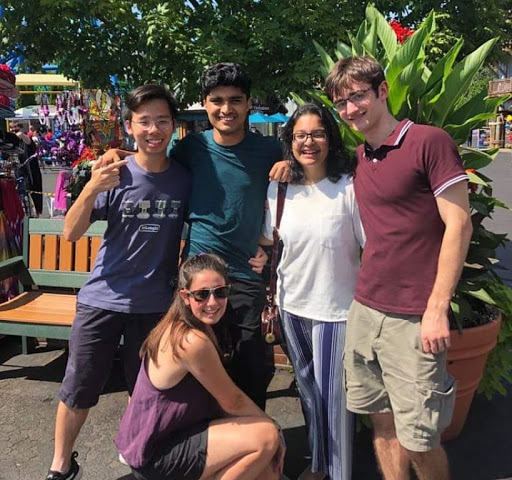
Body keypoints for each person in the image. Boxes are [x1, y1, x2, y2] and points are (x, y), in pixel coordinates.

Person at [103, 63, 289, 409]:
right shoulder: (192, 149)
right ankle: (206, 447)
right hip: (198, 276)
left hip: (247, 276)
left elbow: (297, 201)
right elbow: (155, 164)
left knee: (252, 366)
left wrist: (291, 167)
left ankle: (254, 447)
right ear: (204, 104)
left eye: (235, 100)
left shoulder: (269, 151)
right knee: (197, 366)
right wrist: (121, 155)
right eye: (216, 100)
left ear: (249, 103)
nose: (226, 109)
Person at [324, 56, 472, 480]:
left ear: (382, 91)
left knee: (419, 439)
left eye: (358, 96)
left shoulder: (429, 141)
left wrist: (437, 307)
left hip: (414, 316)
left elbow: (458, 223)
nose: (351, 109)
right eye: (342, 103)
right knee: (381, 421)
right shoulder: (359, 156)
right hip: (366, 308)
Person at [45, 84, 192, 480]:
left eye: (162, 121)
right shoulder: (114, 174)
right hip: (101, 299)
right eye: (144, 121)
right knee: (78, 387)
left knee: (146, 392)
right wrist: (93, 185)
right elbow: (71, 234)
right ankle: (61, 466)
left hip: (155, 306)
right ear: (130, 126)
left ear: (174, 127)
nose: (153, 129)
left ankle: (142, 458)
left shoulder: (183, 179)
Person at [260, 103, 364, 480]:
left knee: (335, 404)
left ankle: (339, 473)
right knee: (308, 397)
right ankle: (320, 466)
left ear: (330, 138)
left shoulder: (349, 186)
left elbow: (372, 244)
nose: (309, 142)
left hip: (336, 311)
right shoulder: (280, 188)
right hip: (291, 307)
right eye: (300, 135)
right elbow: (268, 239)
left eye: (317, 133)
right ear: (290, 141)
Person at [116, 253, 285, 480]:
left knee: (266, 471)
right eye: (202, 295)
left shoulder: (197, 325)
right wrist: (275, 429)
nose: (212, 302)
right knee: (266, 437)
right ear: (185, 296)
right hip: (156, 452)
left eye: (220, 292)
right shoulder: (191, 340)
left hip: (173, 433)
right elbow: (232, 401)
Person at [11, 122, 43, 216]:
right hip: (18, 173)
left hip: (30, 174)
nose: (14, 132)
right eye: (12, 130)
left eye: (16, 130)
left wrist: (20, 135)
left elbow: (29, 142)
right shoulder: (12, 142)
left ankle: (34, 217)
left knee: (33, 197)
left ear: (21, 129)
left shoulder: (26, 139)